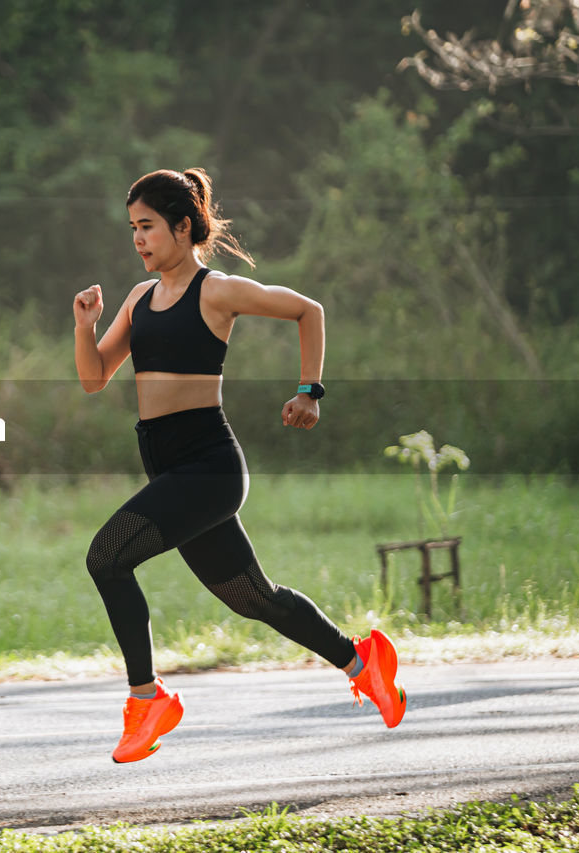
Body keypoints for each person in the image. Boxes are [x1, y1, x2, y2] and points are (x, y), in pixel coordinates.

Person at [72, 168, 406, 764]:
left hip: (208, 468)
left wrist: (310, 390)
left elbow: (309, 310)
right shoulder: (139, 300)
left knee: (107, 558)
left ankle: (147, 700)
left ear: (181, 227)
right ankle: (365, 663)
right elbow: (94, 378)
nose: (138, 239)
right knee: (253, 596)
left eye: (147, 226)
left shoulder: (216, 291)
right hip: (169, 467)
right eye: (132, 228)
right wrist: (84, 327)